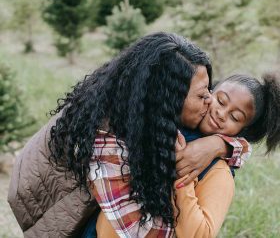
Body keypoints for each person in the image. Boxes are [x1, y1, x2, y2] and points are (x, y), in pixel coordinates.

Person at [8, 32, 248, 237]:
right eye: (201, 95)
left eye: (210, 88)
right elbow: (143, 232)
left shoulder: (145, 113)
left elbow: (241, 141)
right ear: (168, 100)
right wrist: (183, 178)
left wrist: (221, 145)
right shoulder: (107, 142)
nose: (210, 101)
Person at [92, 73, 280, 238]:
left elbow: (200, 234)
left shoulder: (218, 172)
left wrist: (182, 177)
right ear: (208, 92)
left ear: (243, 130)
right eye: (221, 101)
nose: (222, 114)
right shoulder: (169, 121)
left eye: (235, 117)